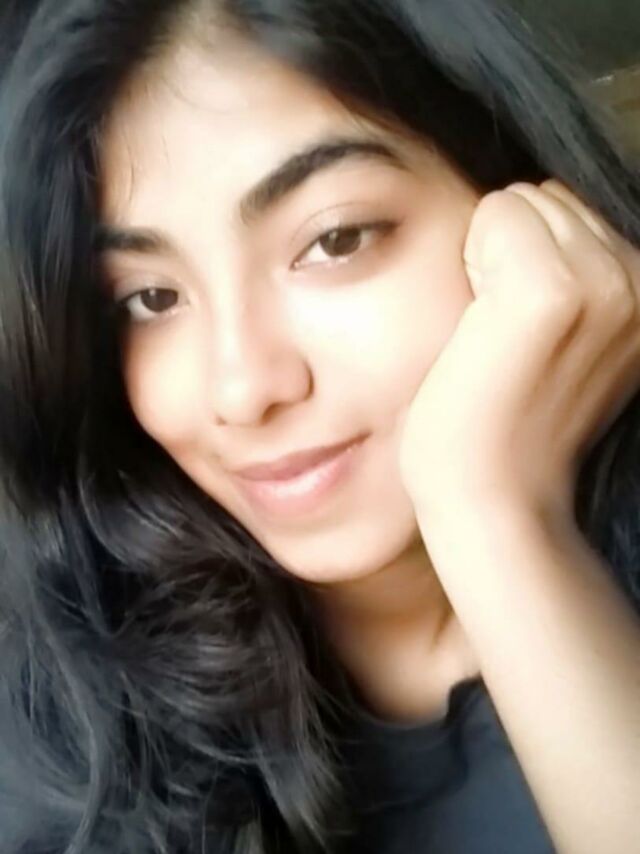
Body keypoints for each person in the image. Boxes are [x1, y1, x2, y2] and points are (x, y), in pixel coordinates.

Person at [0, 1, 638, 852]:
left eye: (335, 240)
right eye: (150, 298)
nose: (241, 389)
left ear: (533, 220)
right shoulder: (60, 720)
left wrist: (493, 517)